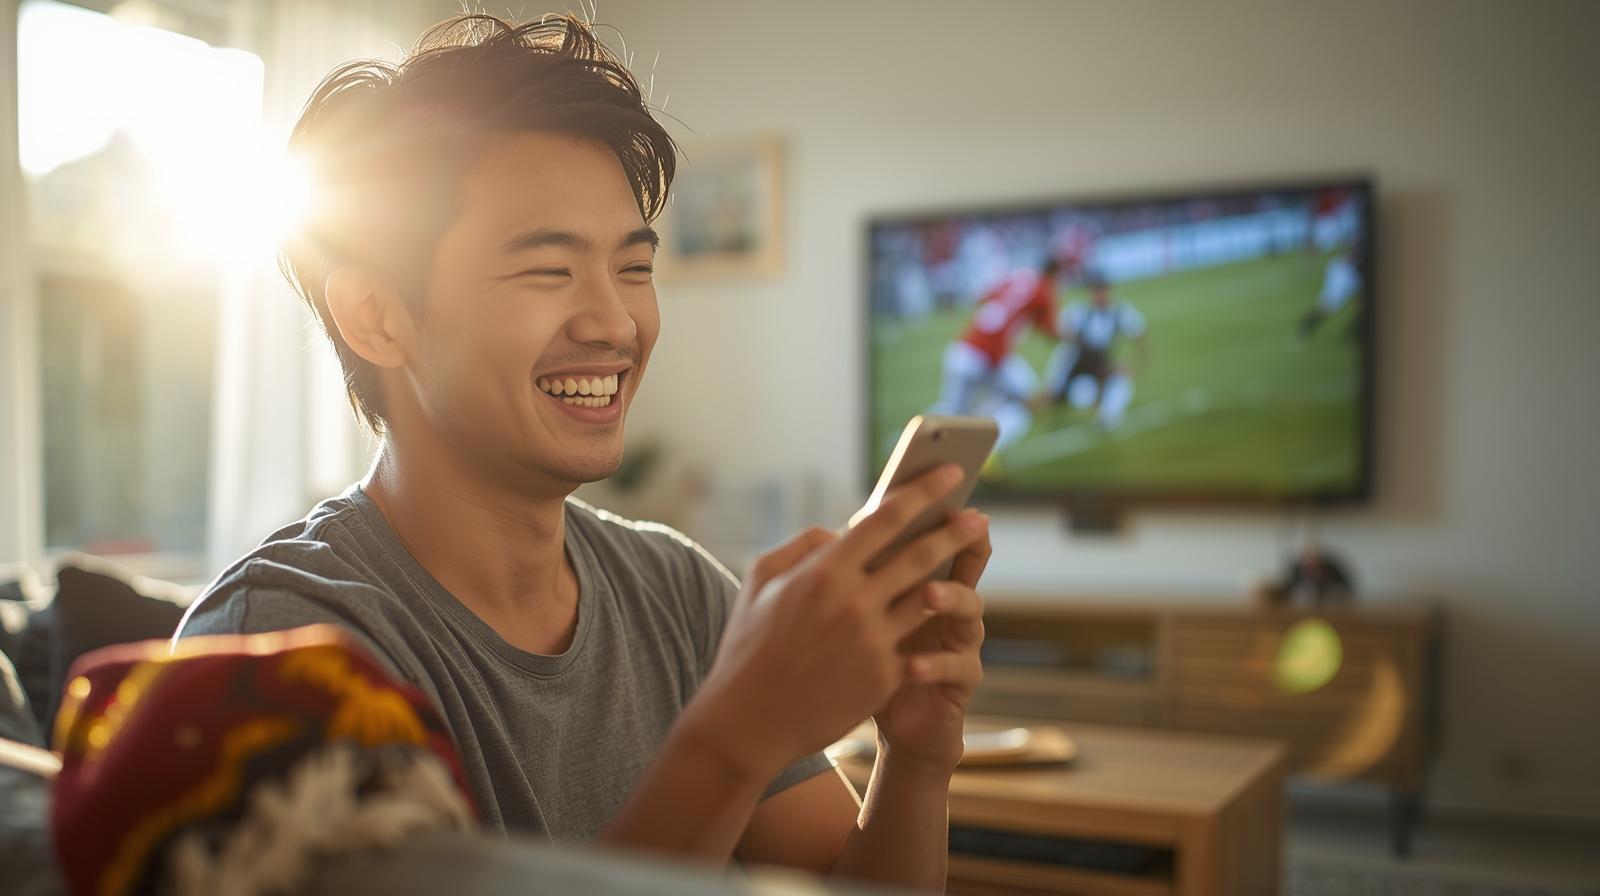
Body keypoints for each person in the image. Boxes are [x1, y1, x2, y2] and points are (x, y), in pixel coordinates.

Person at [173, 14, 990, 890]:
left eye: (633, 269)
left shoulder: (677, 593)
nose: (615, 324)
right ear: (377, 316)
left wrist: (915, 758)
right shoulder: (274, 653)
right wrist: (731, 737)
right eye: (548, 270)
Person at [931, 256, 1062, 454]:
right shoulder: (1043, 290)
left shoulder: (1018, 276)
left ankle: (906, 441)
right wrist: (1071, 336)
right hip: (990, 355)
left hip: (962, 350)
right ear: (1056, 274)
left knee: (953, 413)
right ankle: (985, 452)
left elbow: (984, 298)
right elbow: (1049, 330)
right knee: (1026, 404)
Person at [1040, 269, 1149, 429]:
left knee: (1122, 384)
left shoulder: (1120, 312)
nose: (1099, 294)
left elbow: (1140, 338)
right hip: (1080, 372)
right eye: (1095, 289)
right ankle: (1065, 396)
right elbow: (1060, 344)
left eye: (1102, 289)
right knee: (1080, 393)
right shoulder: (1078, 313)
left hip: (1104, 368)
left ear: (1108, 289)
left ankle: (1106, 415)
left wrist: (1134, 367)